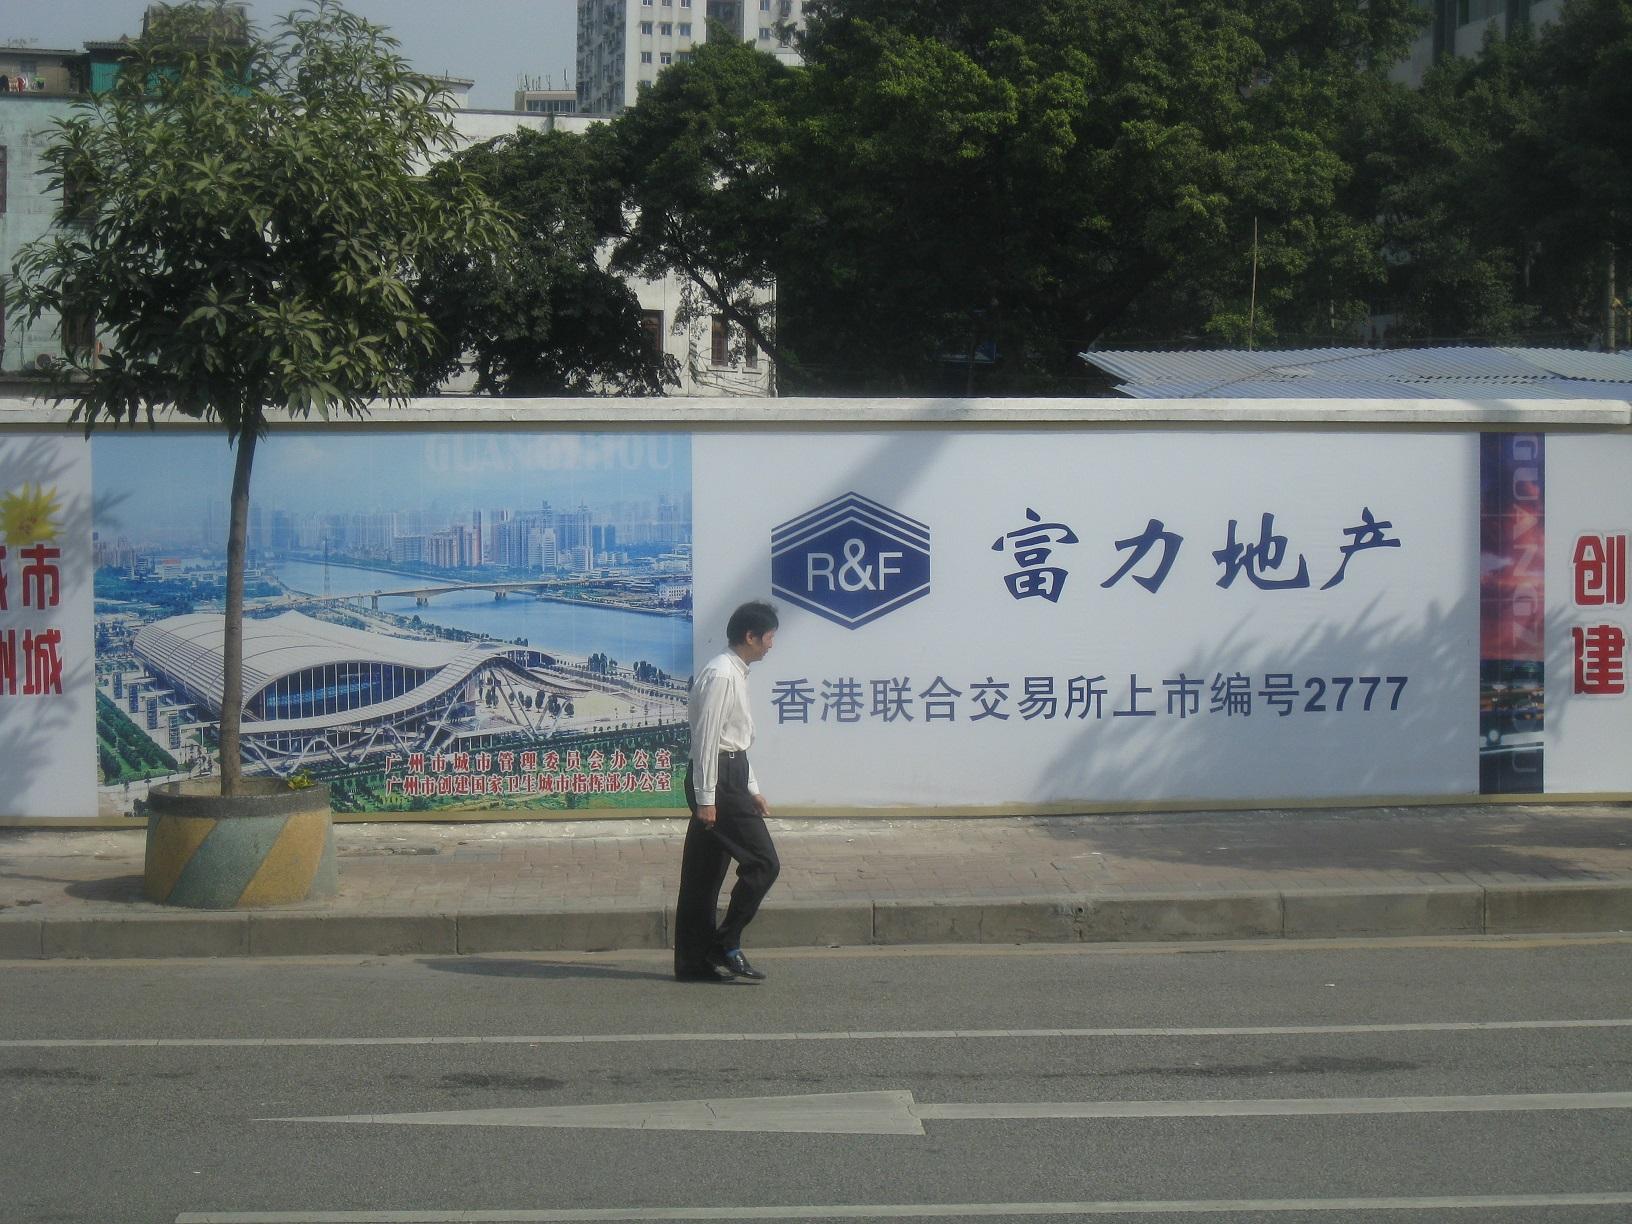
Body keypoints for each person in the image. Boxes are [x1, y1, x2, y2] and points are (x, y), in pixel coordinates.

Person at [673, 600, 781, 983]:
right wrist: (707, 798)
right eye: (769, 637)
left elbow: (735, 740)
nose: (771, 645)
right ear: (751, 636)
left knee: (702, 876)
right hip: (717, 780)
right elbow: (707, 740)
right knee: (764, 863)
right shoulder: (722, 674)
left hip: (729, 776)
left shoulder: (735, 671)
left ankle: (693, 963)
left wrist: (752, 788)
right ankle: (725, 943)